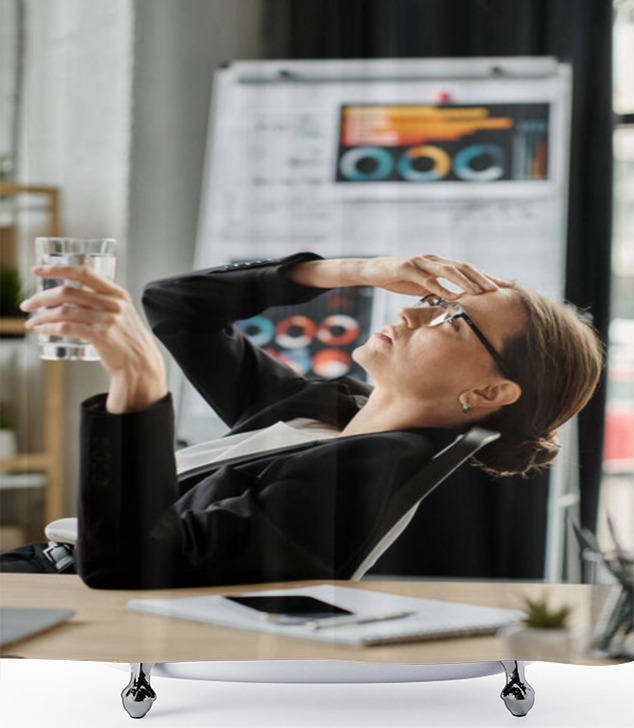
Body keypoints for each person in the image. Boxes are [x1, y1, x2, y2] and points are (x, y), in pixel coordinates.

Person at [2, 252, 603, 589]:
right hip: (36, 571)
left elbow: (135, 566)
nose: (414, 314)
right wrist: (352, 270)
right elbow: (176, 306)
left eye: (450, 320)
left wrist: (138, 383)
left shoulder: (365, 481)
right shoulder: (328, 410)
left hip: (56, 595)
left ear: (491, 389)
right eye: (437, 302)